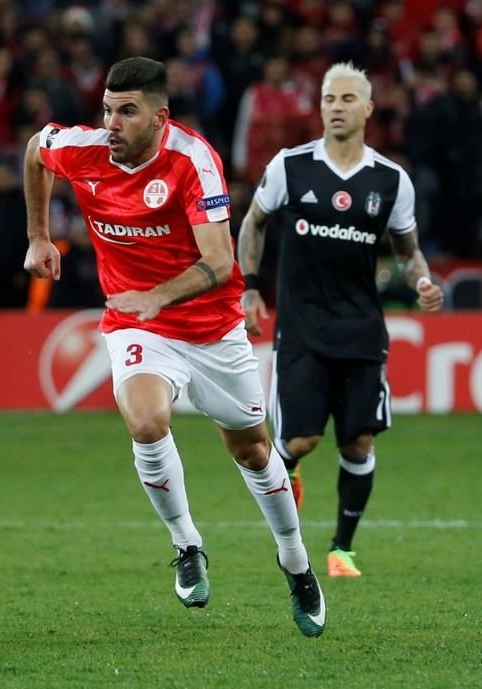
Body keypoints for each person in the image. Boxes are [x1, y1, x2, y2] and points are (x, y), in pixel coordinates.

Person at [22, 56, 326, 637]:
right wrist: (39, 236)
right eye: (107, 110)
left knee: (252, 450)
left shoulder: (193, 161)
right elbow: (37, 149)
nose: (112, 124)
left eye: (127, 112)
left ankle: (295, 561)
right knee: (145, 421)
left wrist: (158, 295)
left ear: (160, 118)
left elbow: (219, 260)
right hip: (137, 323)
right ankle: (187, 543)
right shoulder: (83, 148)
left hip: (211, 328)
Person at [236, 62, 444, 578]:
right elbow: (253, 224)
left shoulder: (391, 181)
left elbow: (408, 251)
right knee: (299, 441)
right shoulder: (291, 166)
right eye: (329, 98)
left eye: (348, 99)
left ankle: (341, 550)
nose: (336, 107)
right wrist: (250, 288)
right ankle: (290, 476)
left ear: (368, 109)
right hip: (302, 327)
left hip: (361, 329)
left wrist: (421, 280)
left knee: (359, 441)